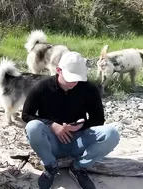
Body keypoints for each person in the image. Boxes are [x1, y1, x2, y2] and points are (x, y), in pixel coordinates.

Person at [22, 51, 120, 189]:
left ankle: (78, 167)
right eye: (70, 78)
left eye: (77, 78)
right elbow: (26, 115)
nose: (74, 83)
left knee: (112, 133)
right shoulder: (41, 87)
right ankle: (50, 166)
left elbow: (98, 119)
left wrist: (81, 125)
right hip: (52, 143)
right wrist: (52, 126)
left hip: (78, 141)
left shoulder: (89, 89)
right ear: (58, 71)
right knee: (33, 127)